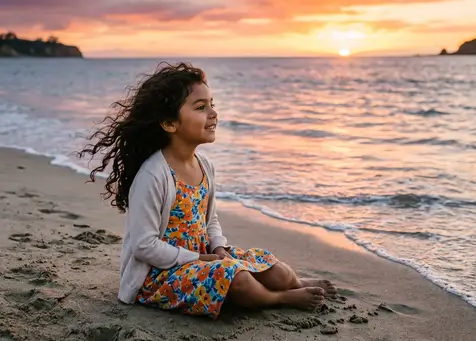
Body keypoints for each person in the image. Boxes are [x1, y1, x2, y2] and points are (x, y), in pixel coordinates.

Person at [78, 62, 336, 319]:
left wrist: (219, 247)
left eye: (212, 105)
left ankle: (294, 283)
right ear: (169, 123)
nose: (213, 113)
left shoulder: (205, 166)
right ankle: (279, 297)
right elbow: (144, 246)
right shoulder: (153, 175)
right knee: (239, 282)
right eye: (201, 108)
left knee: (276, 269)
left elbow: (209, 219)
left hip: (205, 256)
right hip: (162, 274)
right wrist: (198, 258)